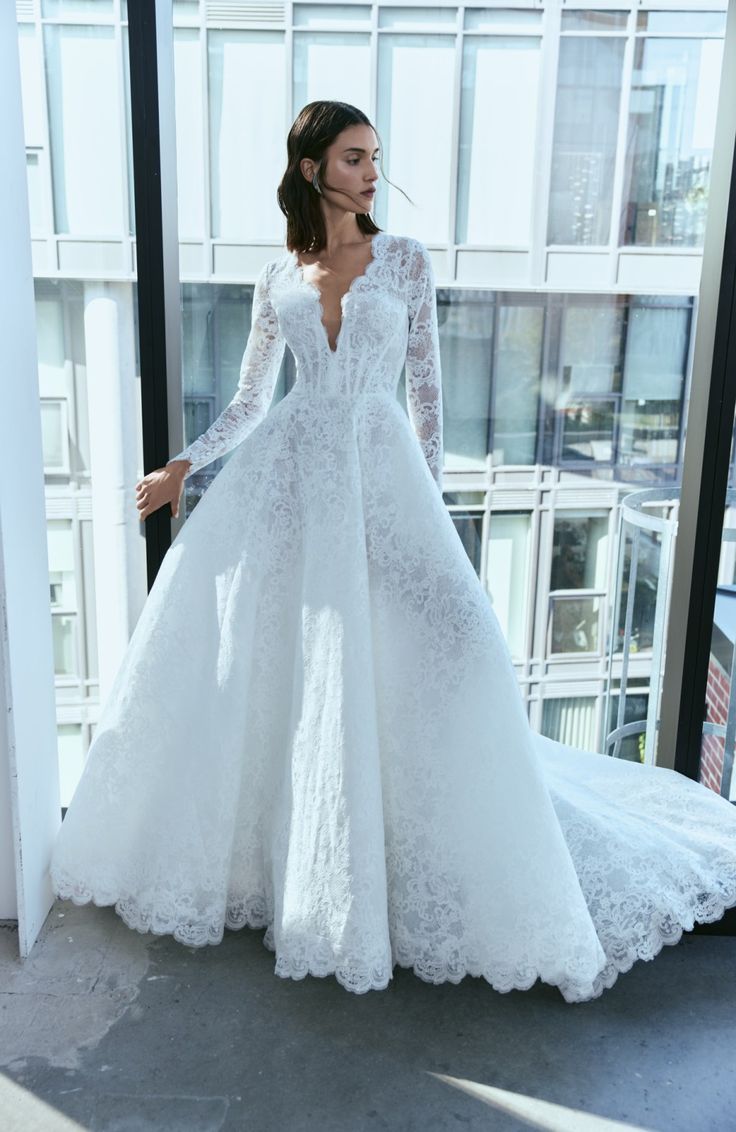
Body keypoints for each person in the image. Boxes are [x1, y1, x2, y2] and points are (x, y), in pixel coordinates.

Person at [50, 100, 736, 1003]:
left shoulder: (405, 261)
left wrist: (430, 513)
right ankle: (308, 876)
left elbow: (428, 401)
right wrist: (185, 464)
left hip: (381, 478)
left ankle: (458, 849)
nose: (371, 172)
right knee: (298, 675)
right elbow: (256, 401)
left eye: (375, 156)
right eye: (352, 157)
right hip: (294, 482)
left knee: (457, 646)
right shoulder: (278, 278)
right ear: (311, 170)